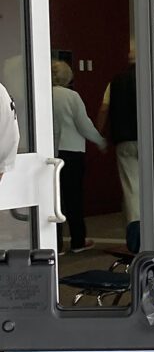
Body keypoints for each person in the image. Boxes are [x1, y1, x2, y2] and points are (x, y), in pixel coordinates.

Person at [51, 59, 106, 253]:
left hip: (50, 153)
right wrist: (100, 141)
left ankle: (54, 244)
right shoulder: (72, 96)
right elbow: (84, 124)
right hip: (72, 151)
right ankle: (77, 240)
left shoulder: (41, 93)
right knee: (74, 197)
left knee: (53, 199)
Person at [97, 42, 139, 252]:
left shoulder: (115, 82)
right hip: (150, 140)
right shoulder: (153, 78)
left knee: (131, 190)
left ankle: (135, 239)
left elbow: (104, 110)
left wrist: (99, 135)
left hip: (124, 141)